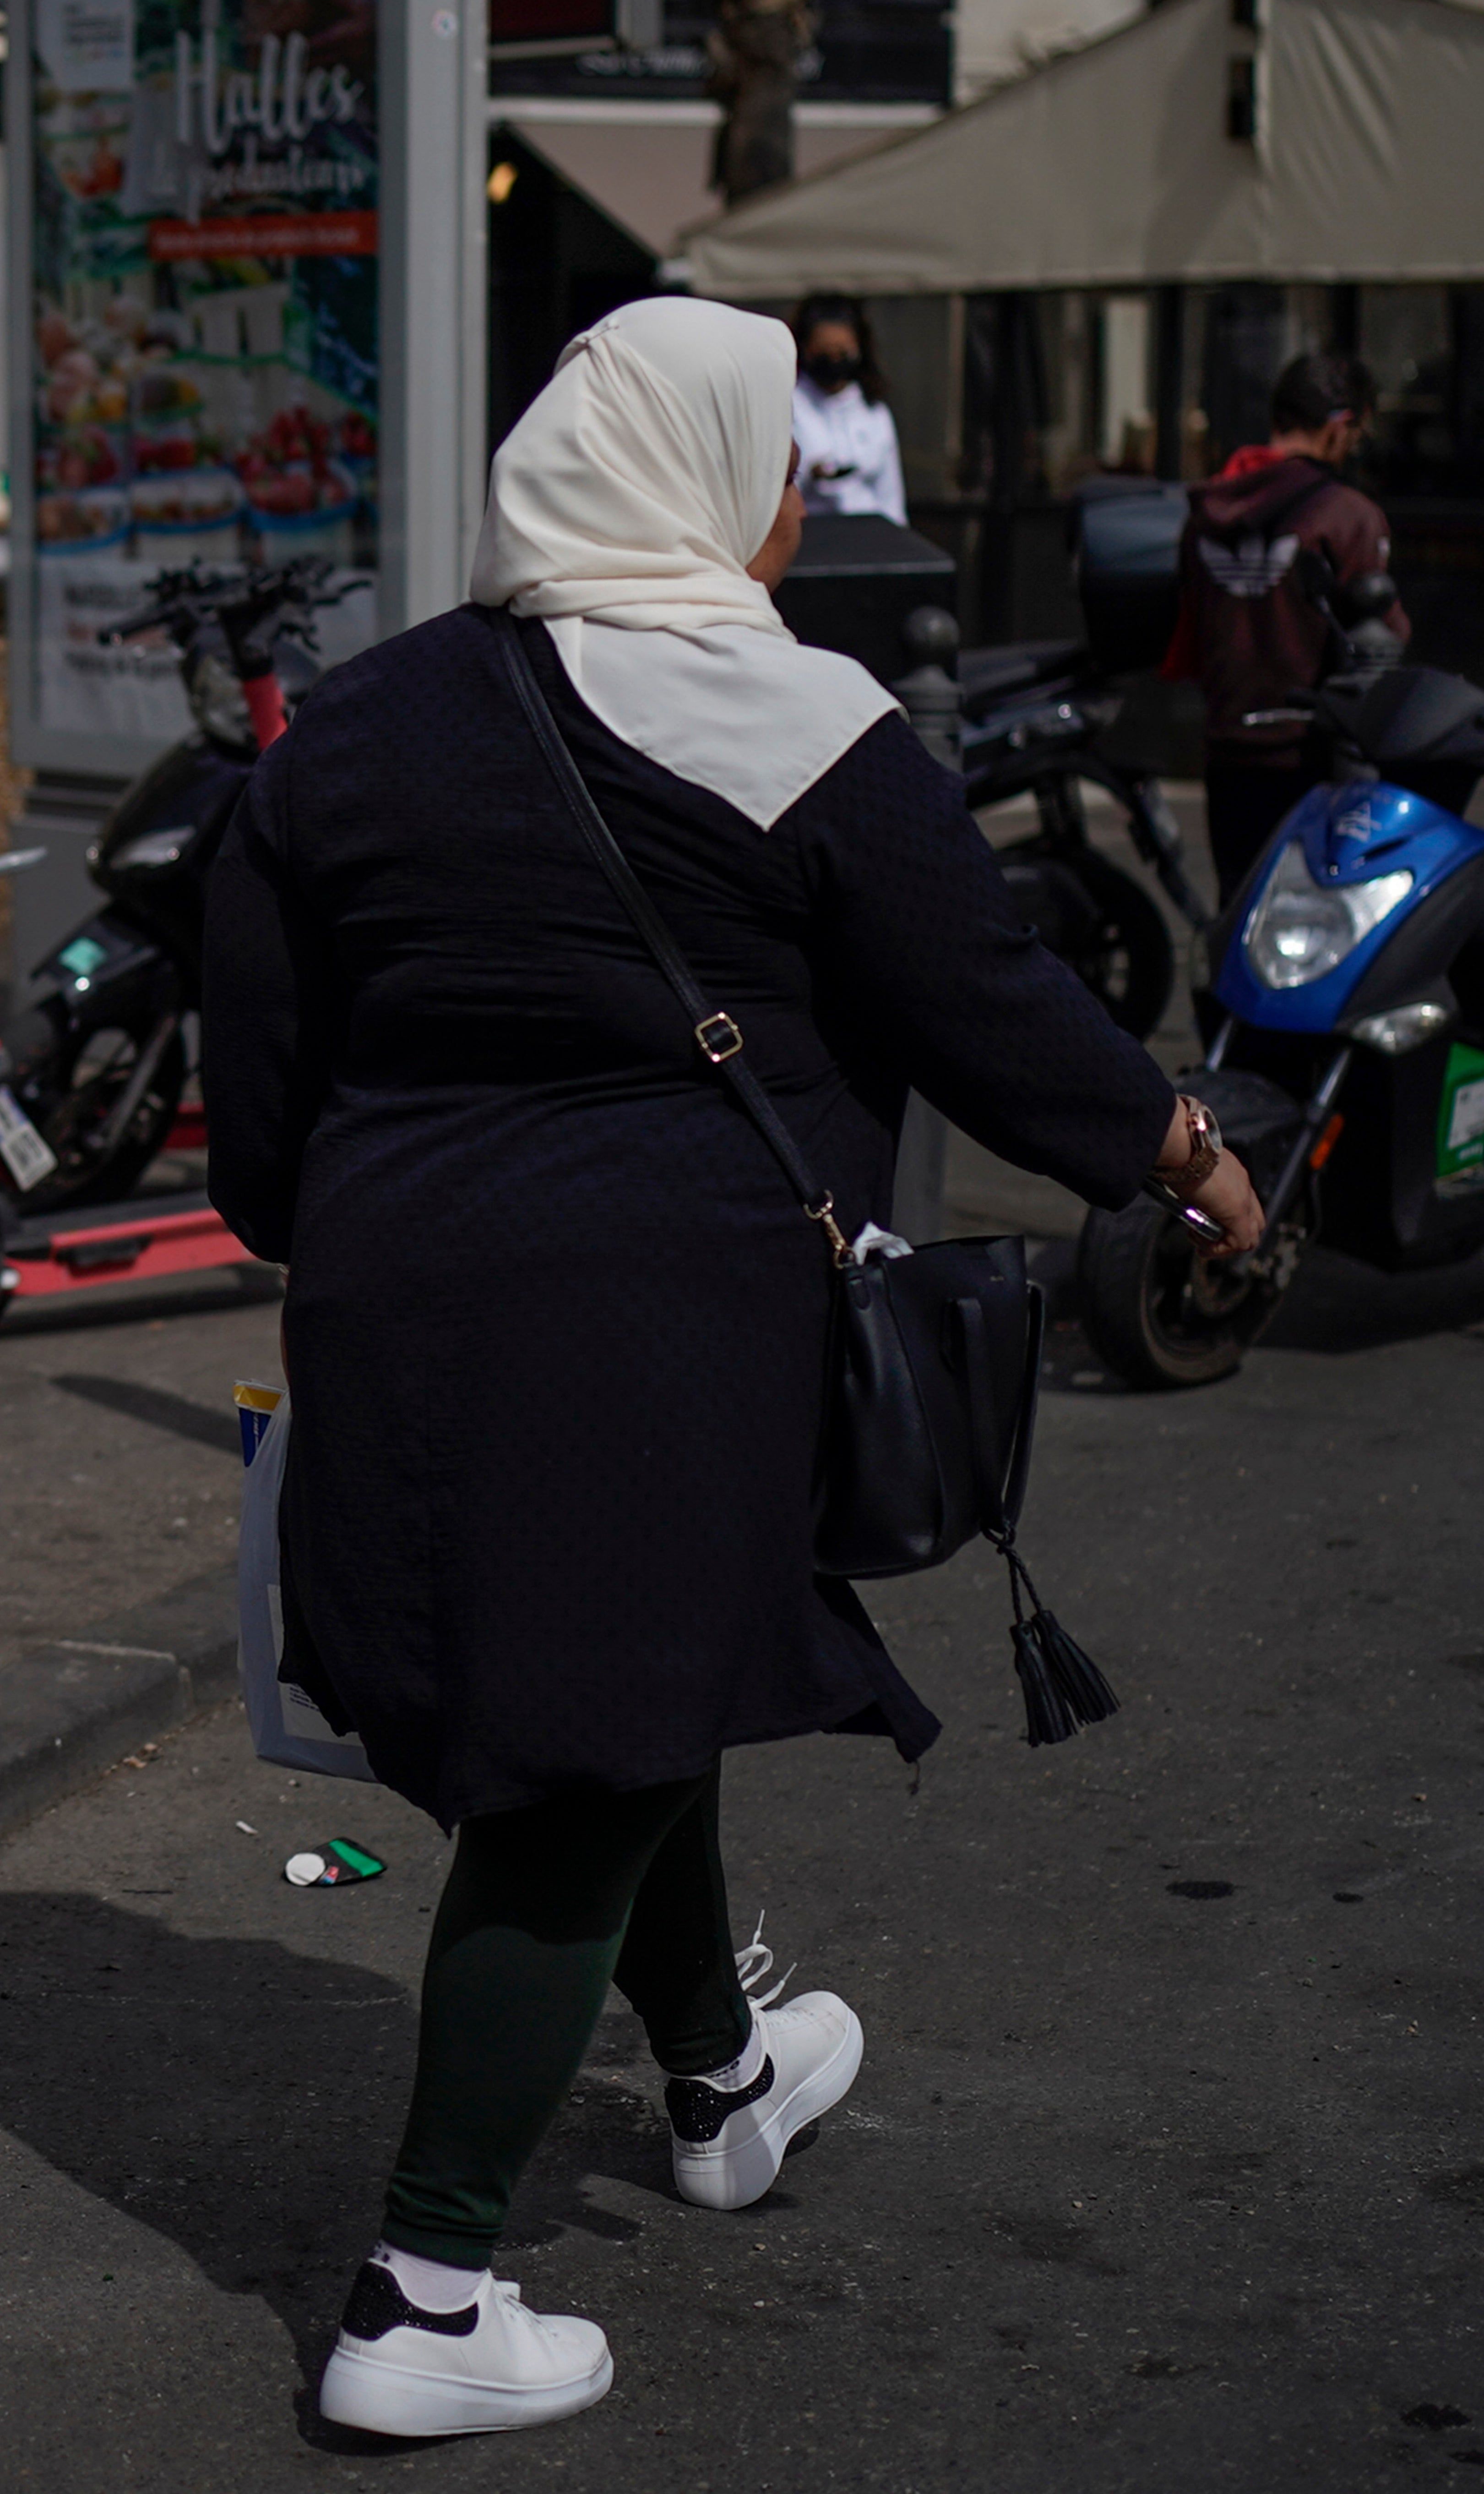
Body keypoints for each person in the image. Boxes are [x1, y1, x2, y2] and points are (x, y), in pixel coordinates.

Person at [203, 297, 1265, 2444]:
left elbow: (254, 1096)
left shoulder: (357, 726)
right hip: (661, 1320)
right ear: (701, 478)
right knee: (581, 1766)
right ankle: (424, 2285)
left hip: (401, 1297)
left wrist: (344, 1225)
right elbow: (986, 994)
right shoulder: (804, 724)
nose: (793, 502)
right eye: (774, 462)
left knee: (634, 1677)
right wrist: (1182, 1153)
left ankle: (722, 2069)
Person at [1162, 354, 1407, 901]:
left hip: (1227, 748)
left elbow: (1194, 624)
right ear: (1339, 427)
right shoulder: (1349, 515)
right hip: (1313, 758)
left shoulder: (1206, 511)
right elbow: (1385, 641)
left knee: (1239, 909)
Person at [787, 292, 902, 523]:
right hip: (811, 532)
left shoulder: (873, 411)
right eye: (824, 353)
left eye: (843, 353)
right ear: (806, 349)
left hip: (867, 535)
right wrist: (809, 475)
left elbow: (890, 496)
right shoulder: (790, 406)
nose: (834, 361)